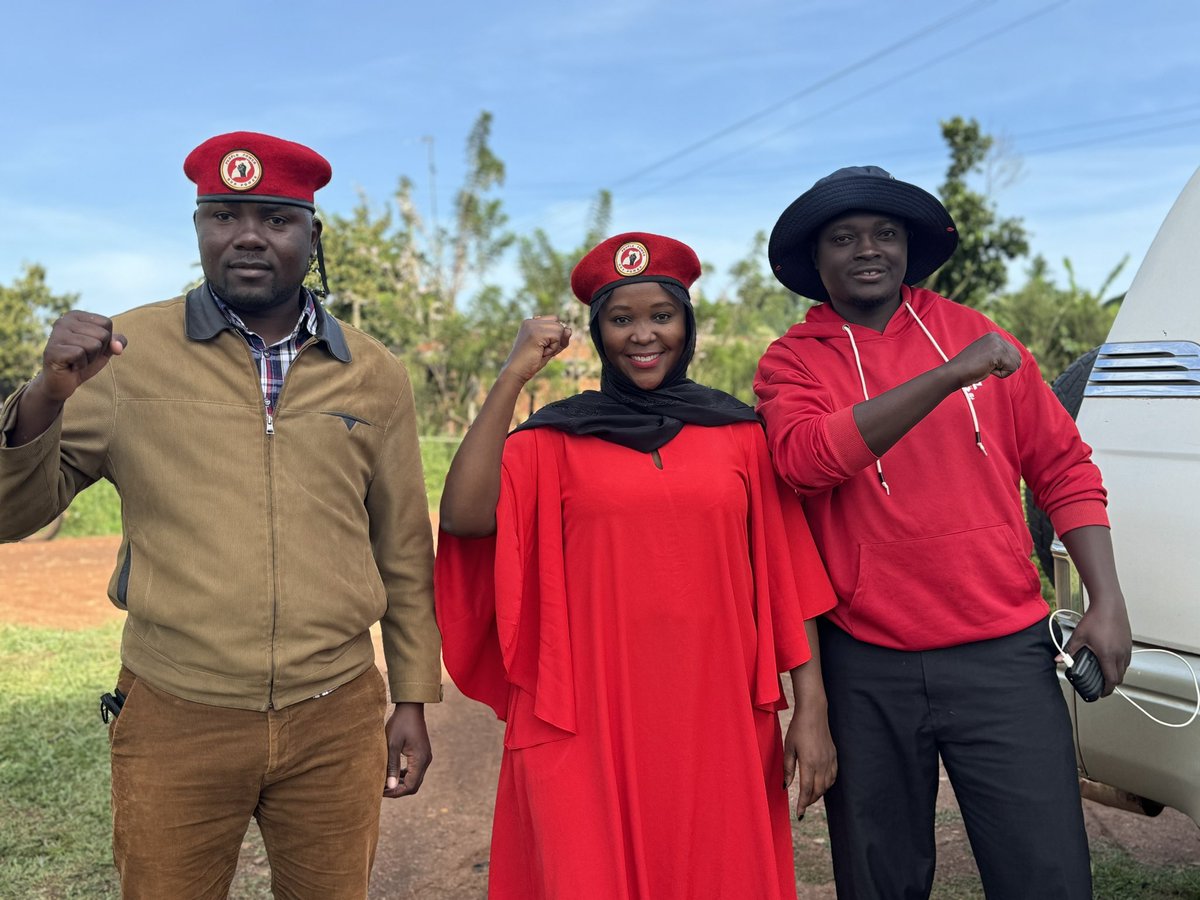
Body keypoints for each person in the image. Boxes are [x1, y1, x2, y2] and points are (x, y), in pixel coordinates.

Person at [0, 131, 442, 899]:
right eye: (223, 215)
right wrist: (45, 397)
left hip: (335, 715)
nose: (246, 234)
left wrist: (412, 693)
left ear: (312, 235)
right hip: (176, 713)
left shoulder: (374, 374)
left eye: (274, 218)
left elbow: (402, 547)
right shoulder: (124, 357)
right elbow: (12, 513)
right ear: (199, 227)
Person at [754, 165, 1133, 899]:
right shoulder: (794, 361)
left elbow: (1064, 469)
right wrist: (948, 379)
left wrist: (1106, 598)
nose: (868, 249)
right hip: (864, 661)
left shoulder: (978, 335)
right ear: (816, 259)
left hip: (1004, 656)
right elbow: (805, 463)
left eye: (885, 233)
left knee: (1045, 873)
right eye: (844, 237)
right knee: (881, 879)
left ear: (908, 247)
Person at [435, 232, 839, 900]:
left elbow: (788, 578)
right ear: (598, 332)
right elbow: (465, 518)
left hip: (715, 714)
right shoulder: (555, 440)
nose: (643, 335)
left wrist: (812, 710)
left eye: (662, 316)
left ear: (687, 323)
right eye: (621, 319)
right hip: (584, 714)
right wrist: (513, 376)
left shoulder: (738, 435)